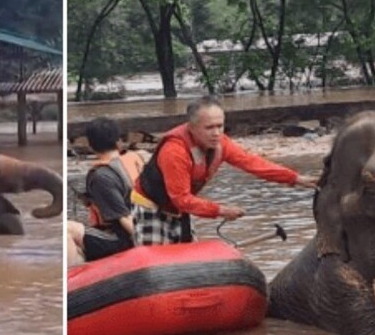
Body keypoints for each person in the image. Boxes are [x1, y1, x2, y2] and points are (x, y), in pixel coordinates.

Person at [132, 95, 318, 245]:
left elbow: (253, 163)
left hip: (180, 208)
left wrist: (295, 178)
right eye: (209, 128)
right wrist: (220, 210)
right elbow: (181, 199)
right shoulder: (174, 151)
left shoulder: (221, 144)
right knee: (157, 262)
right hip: (151, 206)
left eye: (220, 126)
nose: (216, 133)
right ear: (192, 128)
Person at [68, 118, 146, 262]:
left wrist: (148, 246)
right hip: (149, 224)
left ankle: (74, 278)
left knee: (67, 229)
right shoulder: (136, 158)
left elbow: (124, 218)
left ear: (91, 146)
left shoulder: (102, 176)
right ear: (119, 142)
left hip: (125, 238)